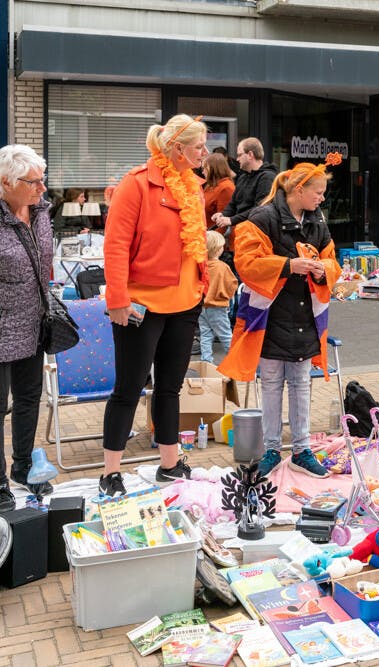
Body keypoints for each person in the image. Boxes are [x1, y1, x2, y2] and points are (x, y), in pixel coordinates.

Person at [100, 114, 210, 496]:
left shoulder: (194, 185)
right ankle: (111, 471)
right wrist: (117, 299)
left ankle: (169, 463)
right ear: (178, 148)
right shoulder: (136, 184)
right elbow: (114, 246)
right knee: (128, 388)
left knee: (170, 388)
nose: (204, 152)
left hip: (184, 302)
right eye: (199, 146)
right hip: (139, 304)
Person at [218, 158, 342, 478]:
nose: (322, 198)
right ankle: (272, 448)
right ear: (299, 191)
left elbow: (332, 261)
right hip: (268, 316)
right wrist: (290, 266)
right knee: (271, 383)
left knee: (301, 384)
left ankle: (301, 449)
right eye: (318, 192)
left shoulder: (317, 221)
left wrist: (321, 269)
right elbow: (246, 263)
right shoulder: (262, 217)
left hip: (303, 313)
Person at [0, 144, 55, 510]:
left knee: (28, 399)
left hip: (33, 324)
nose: (42, 188)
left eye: (42, 179)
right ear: (5, 182)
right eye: (33, 182)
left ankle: (22, 468)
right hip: (2, 326)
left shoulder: (40, 212)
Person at [210, 137, 278, 235]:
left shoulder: (267, 177)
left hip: (256, 234)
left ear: (250, 155)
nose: (237, 159)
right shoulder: (243, 177)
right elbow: (233, 204)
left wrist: (231, 220)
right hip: (241, 233)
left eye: (239, 155)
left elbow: (259, 209)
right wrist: (223, 214)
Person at [199, 230, 238, 363]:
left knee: (205, 334)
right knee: (226, 335)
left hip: (202, 306)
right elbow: (232, 284)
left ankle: (206, 362)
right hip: (218, 306)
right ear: (218, 249)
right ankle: (234, 360)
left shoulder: (200, 266)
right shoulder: (223, 267)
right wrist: (226, 296)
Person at [203, 153, 236, 229]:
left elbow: (223, 222)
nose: (203, 172)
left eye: (204, 168)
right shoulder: (211, 186)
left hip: (215, 237)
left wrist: (215, 240)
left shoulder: (226, 188)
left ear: (212, 168)